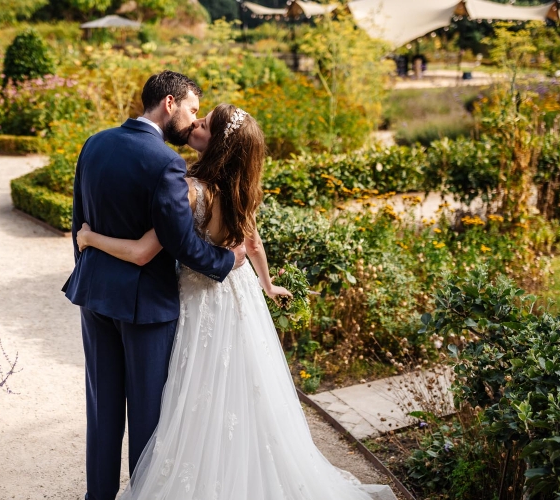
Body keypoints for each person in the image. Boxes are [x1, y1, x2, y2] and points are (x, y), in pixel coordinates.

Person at [76, 104, 396, 499]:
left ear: (217, 143)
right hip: (238, 298)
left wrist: (89, 240)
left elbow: (144, 249)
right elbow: (254, 242)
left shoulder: (191, 189)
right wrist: (266, 284)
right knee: (239, 388)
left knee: (191, 390)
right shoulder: (240, 186)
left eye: (204, 123)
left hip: (200, 299)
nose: (195, 123)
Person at [62, 71, 248, 500]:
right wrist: (229, 260)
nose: (193, 120)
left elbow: (79, 221)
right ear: (169, 103)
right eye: (192, 110)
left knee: (102, 409)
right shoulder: (165, 162)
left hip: (94, 294)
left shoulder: (95, 143)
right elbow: (181, 244)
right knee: (147, 416)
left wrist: (88, 268)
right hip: (145, 305)